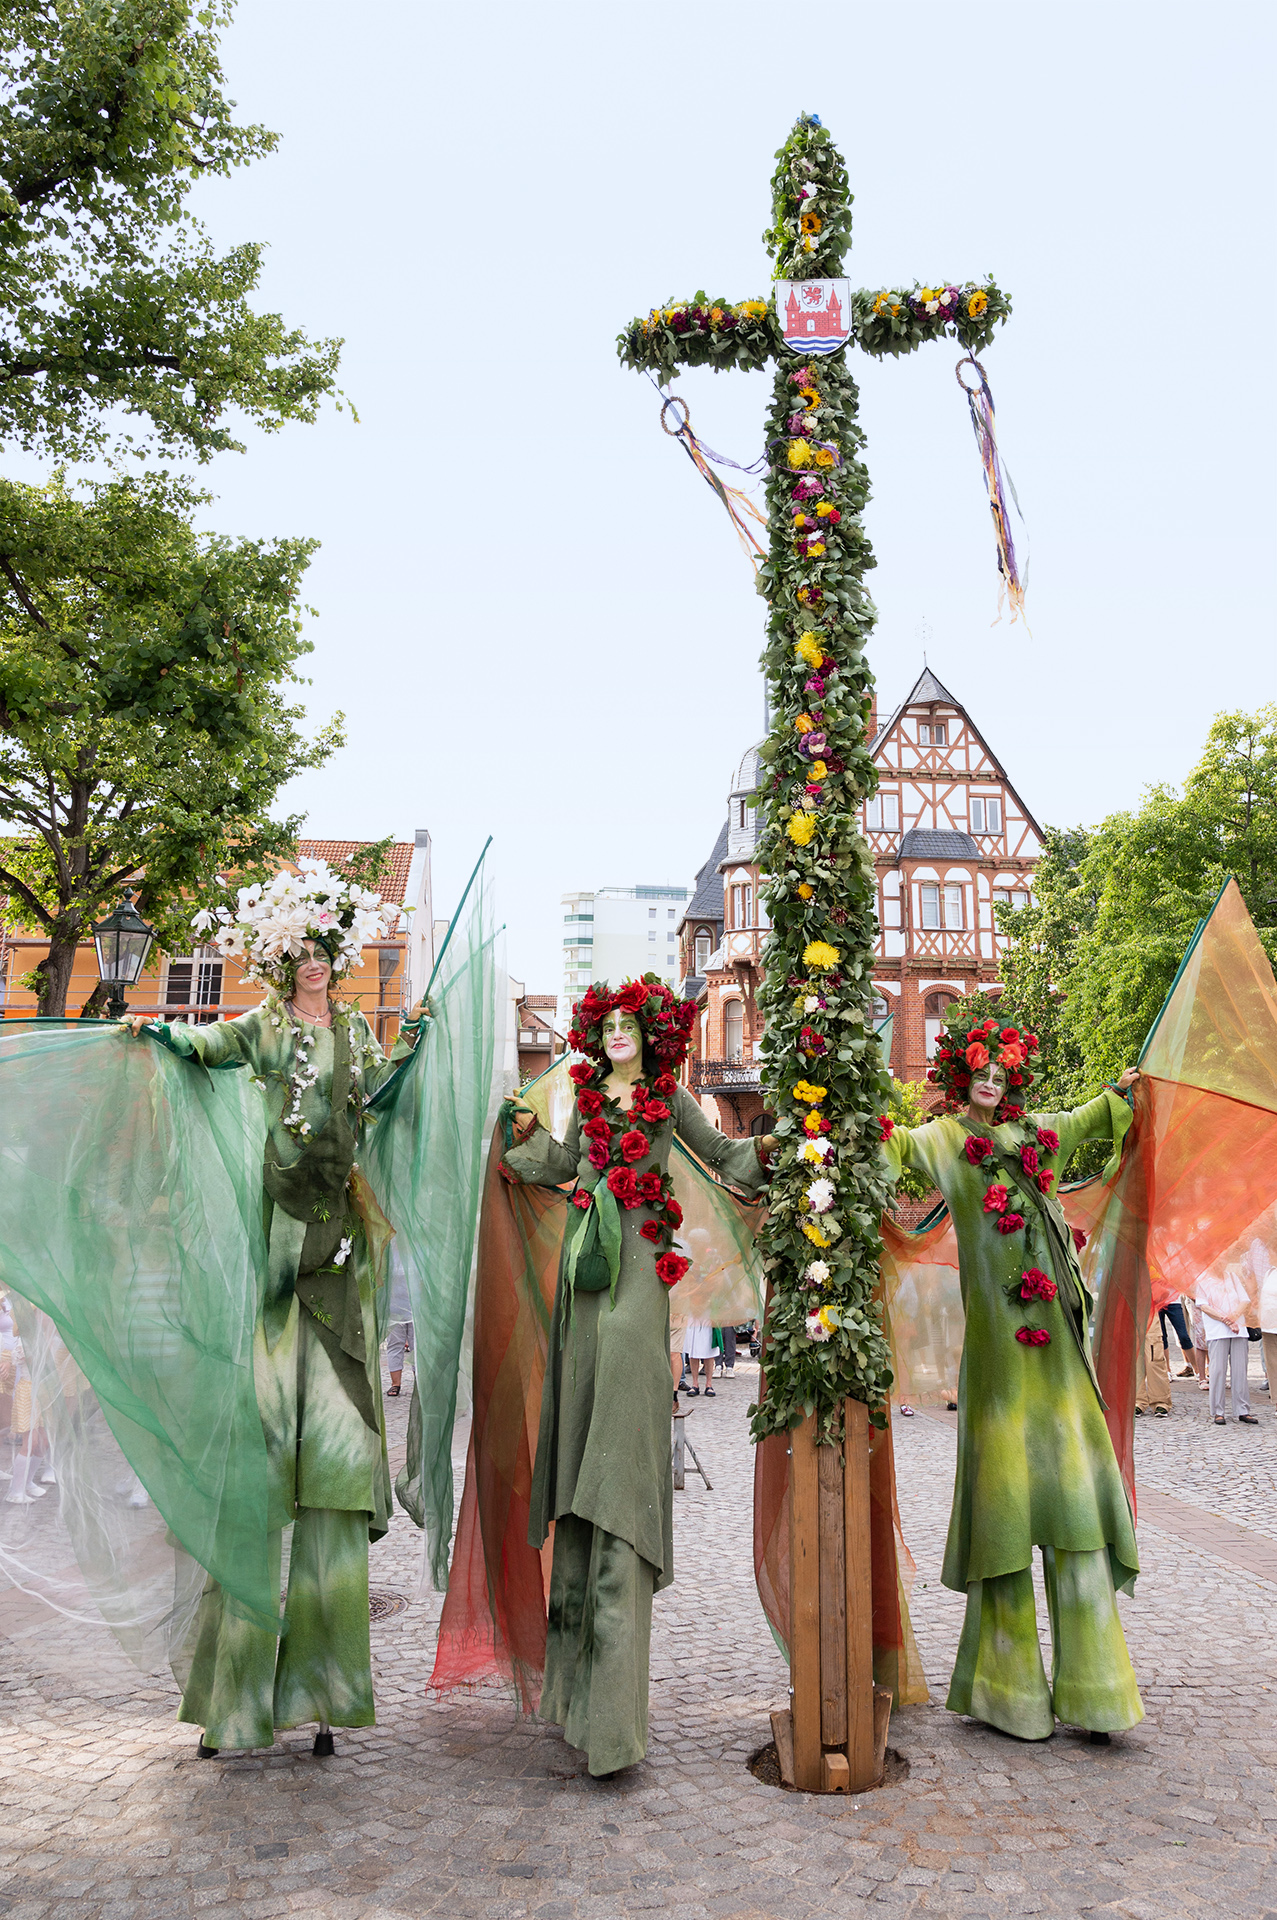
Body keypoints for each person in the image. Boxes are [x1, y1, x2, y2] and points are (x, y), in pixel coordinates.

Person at [128, 867, 429, 1755]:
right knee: (259, 1485)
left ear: (336, 959)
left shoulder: (356, 1035)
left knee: (331, 1483)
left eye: (325, 953)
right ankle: (233, 1701)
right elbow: (212, 1048)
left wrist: (412, 1048)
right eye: (300, 952)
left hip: (340, 1272)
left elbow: (386, 1100)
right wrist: (161, 1033)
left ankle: (323, 1696)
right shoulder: (263, 1029)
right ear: (281, 958)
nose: (313, 966)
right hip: (273, 1272)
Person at [499, 978, 774, 1775]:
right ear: (597, 1033)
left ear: (652, 1034)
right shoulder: (581, 1092)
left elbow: (725, 1156)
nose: (619, 1033)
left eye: (631, 1024)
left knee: (617, 1455)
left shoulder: (669, 1095)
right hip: (584, 1276)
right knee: (585, 1442)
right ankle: (577, 1697)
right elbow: (556, 1166)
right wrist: (517, 1137)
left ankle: (614, 1718)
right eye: (608, 1024)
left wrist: (791, 1139)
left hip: (640, 1272)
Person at [882, 1012, 1144, 1743]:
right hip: (999, 1367)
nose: (992, 1082)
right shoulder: (943, 1142)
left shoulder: (1038, 1139)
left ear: (1013, 1079)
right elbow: (892, 1146)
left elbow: (1097, 1113)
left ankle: (1096, 1688)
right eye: (980, 1073)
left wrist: (1123, 1090)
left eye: (1002, 1073)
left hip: (1056, 1353)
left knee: (1073, 1508)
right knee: (1003, 1511)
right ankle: (1007, 1690)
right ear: (961, 1080)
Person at [1201, 1301, 1257, 1426]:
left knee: (1240, 1370)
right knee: (1217, 1371)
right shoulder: (1204, 1282)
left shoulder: (1236, 1280)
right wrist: (1225, 1320)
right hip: (1216, 1330)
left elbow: (1245, 1300)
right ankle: (1218, 1411)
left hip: (1239, 1329)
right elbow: (1203, 1306)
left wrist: (1233, 1317)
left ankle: (1242, 1409)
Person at [385, 1247, 415, 1397]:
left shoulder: (419, 1249)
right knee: (394, 1344)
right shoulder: (388, 1252)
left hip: (417, 1307)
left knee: (418, 1346)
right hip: (394, 1307)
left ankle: (419, 1382)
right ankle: (395, 1384)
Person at [1135, 1313, 1172, 1417]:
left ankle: (1161, 1401)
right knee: (1135, 1362)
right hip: (1129, 1312)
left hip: (1150, 1312)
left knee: (1154, 1360)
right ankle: (1137, 1401)